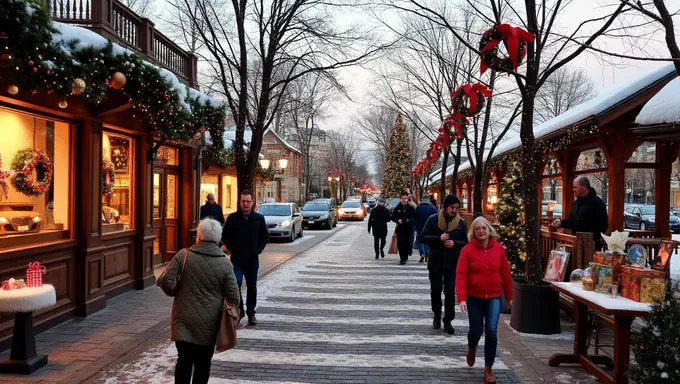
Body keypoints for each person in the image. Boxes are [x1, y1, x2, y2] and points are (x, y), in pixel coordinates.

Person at [159, 219, 240, 384]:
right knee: (203, 363)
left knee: (184, 360)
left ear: (199, 236)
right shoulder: (225, 263)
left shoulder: (184, 255)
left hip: (183, 318)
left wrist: (174, 292)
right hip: (210, 321)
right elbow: (234, 297)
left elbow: (166, 280)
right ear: (218, 238)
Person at [456, 217, 513, 384]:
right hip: (474, 297)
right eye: (477, 229)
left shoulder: (499, 249)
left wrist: (509, 297)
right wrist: (462, 299)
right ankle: (472, 347)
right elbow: (461, 275)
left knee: (491, 330)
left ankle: (488, 368)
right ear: (473, 232)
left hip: (494, 296)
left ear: (489, 230)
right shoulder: (467, 250)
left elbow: (505, 274)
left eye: (484, 228)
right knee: (476, 331)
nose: (481, 231)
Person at [420, 194, 467, 334]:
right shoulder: (433, 220)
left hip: (453, 263)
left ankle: (448, 320)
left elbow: (466, 242)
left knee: (450, 291)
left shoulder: (460, 223)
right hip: (435, 261)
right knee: (435, 290)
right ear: (446, 206)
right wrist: (438, 238)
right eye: (452, 207)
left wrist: (455, 243)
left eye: (457, 208)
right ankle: (436, 314)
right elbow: (423, 237)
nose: (454, 210)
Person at [221, 189, 269, 325]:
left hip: (252, 259)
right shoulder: (232, 218)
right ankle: (240, 311)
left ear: (252, 202)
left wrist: (258, 250)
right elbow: (225, 236)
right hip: (237, 259)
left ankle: (251, 313)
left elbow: (265, 237)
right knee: (236, 285)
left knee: (252, 287)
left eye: (248, 201)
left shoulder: (258, 219)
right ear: (240, 202)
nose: (245, 204)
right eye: (243, 201)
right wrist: (232, 249)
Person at [551, 176, 608, 251]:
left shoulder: (597, 203)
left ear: (584, 187)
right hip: (576, 243)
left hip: (591, 245)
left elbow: (604, 225)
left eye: (575, 187)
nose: (573, 190)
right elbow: (571, 221)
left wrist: (595, 237)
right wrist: (560, 222)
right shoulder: (576, 203)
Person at [391, 192, 417, 265]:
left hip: (408, 229)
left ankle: (405, 257)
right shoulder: (397, 208)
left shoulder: (410, 208)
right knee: (400, 243)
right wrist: (397, 220)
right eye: (402, 199)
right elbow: (393, 217)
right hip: (400, 228)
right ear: (400, 199)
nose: (404, 200)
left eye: (405, 199)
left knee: (407, 243)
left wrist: (409, 220)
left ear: (407, 199)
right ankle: (402, 258)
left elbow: (415, 218)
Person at [415, 194, 437, 263]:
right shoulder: (433, 208)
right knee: (427, 241)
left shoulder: (418, 208)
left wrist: (415, 226)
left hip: (420, 227)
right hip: (429, 228)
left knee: (420, 241)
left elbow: (415, 217)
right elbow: (436, 218)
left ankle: (422, 254)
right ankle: (427, 254)